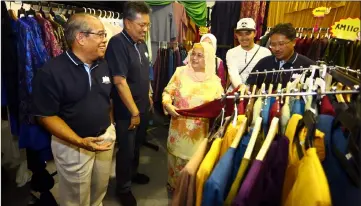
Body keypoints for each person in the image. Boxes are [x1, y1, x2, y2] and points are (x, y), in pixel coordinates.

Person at [32, 14, 115, 206]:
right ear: (81, 38)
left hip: (105, 139)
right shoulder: (51, 72)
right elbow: (46, 116)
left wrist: (110, 127)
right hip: (73, 146)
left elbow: (106, 98)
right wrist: (80, 141)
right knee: (76, 199)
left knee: (99, 190)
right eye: (101, 34)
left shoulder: (103, 65)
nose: (105, 40)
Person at [104, 2, 152, 205]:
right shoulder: (117, 44)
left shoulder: (140, 43)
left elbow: (143, 73)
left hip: (141, 106)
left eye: (147, 25)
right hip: (127, 110)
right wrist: (134, 112)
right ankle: (123, 188)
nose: (145, 29)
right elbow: (119, 81)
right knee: (126, 149)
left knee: (137, 145)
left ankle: (133, 174)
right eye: (142, 25)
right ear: (128, 22)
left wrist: (148, 94)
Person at [162, 42, 224, 192]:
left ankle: (189, 194)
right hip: (178, 129)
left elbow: (220, 106)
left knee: (194, 165)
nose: (194, 58)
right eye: (193, 54)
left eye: (199, 55)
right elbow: (167, 92)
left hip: (200, 133)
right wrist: (167, 104)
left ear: (208, 59)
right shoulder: (180, 72)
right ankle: (175, 191)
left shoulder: (215, 81)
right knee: (176, 163)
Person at [247, 23, 316, 87]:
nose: (277, 49)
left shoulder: (309, 66)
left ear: (293, 42)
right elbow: (250, 86)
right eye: (273, 44)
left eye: (281, 44)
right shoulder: (263, 63)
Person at [226, 18, 271, 90]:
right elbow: (233, 73)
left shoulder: (265, 52)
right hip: (235, 93)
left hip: (255, 93)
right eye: (240, 34)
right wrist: (241, 88)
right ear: (236, 35)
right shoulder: (231, 52)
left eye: (247, 33)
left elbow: (266, 76)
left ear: (255, 33)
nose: (244, 37)